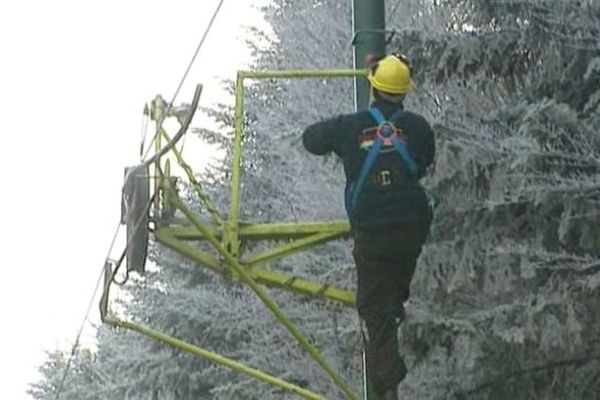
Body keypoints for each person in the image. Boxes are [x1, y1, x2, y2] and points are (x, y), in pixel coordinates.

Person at [302, 53, 435, 400]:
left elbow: (310, 139)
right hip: (411, 222)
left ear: (373, 85)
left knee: (374, 309)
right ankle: (395, 305)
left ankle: (387, 382)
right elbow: (422, 162)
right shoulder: (418, 127)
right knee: (393, 287)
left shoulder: (349, 126)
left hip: (373, 227)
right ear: (405, 90)